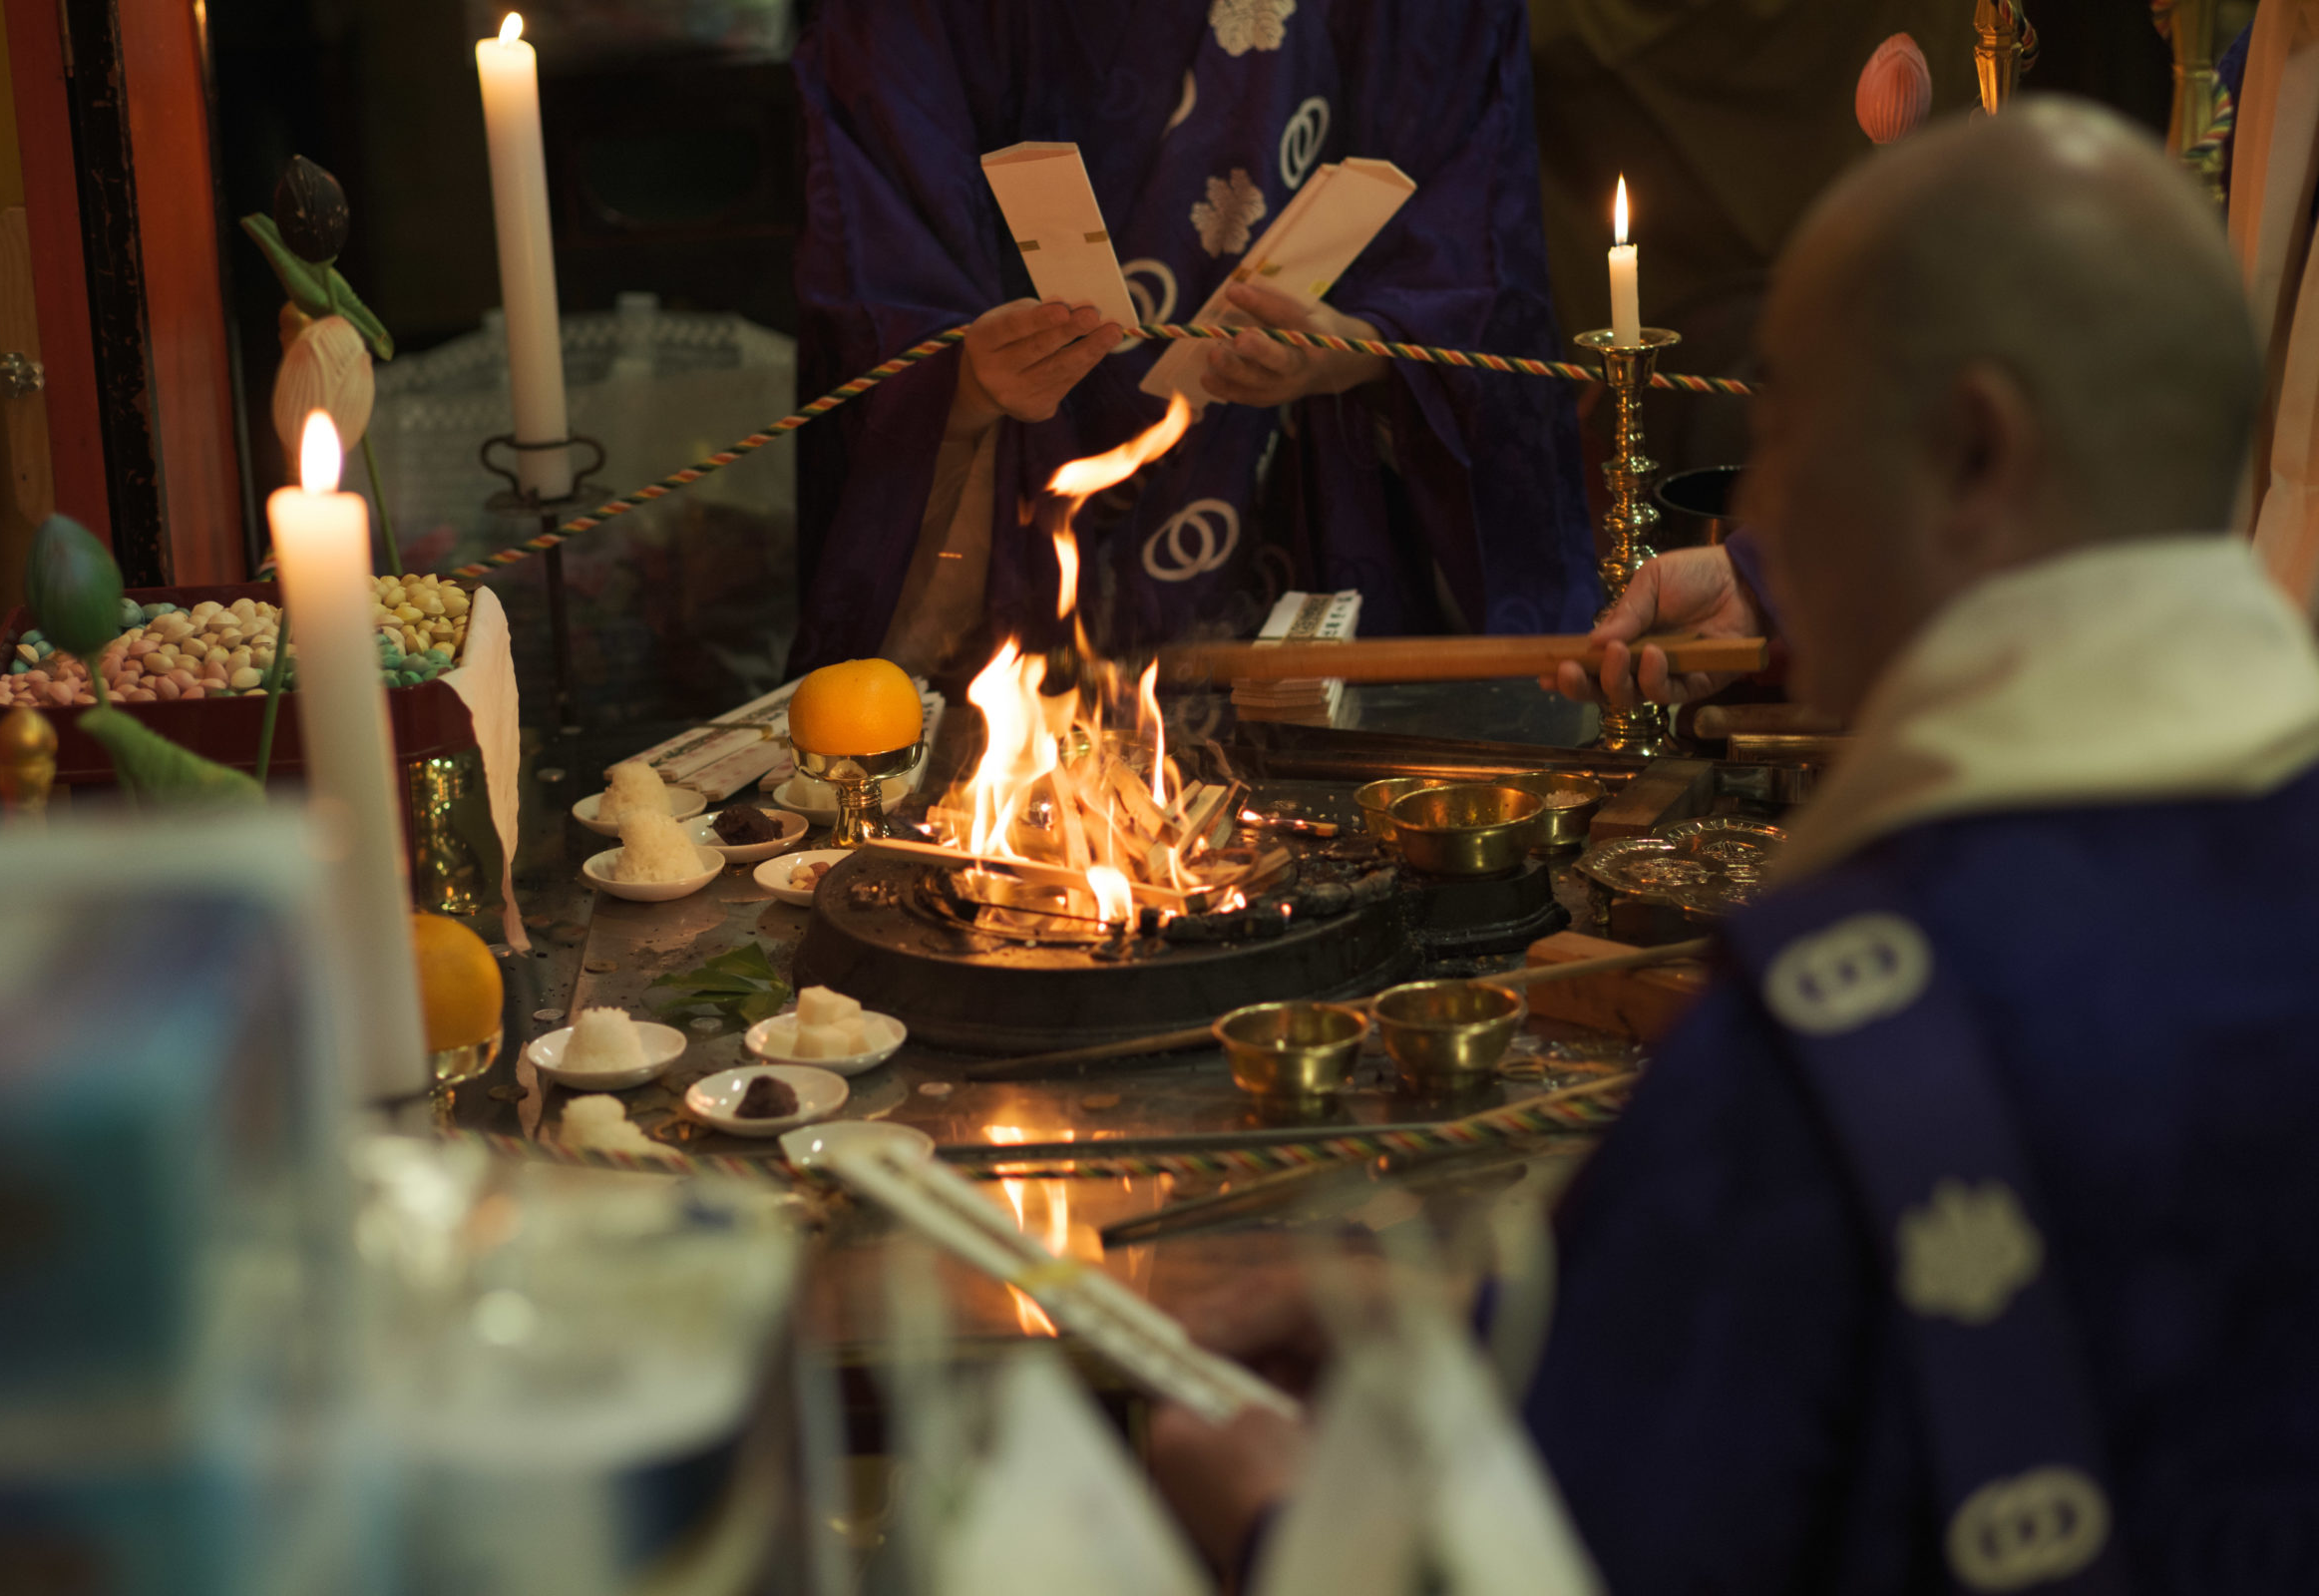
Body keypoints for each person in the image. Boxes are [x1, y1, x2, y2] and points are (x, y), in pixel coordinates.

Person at [1149, 97, 2319, 1593]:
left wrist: (1286, 1523)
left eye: (1784, 435)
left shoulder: (1849, 1040)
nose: (1760, 513)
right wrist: (1510, 1304)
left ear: (1972, 452)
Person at [785, 0, 1597, 680]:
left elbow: (1474, 219)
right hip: (1020, 464)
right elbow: (877, 216)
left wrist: (1367, 343)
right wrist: (956, 380)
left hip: (1312, 472)